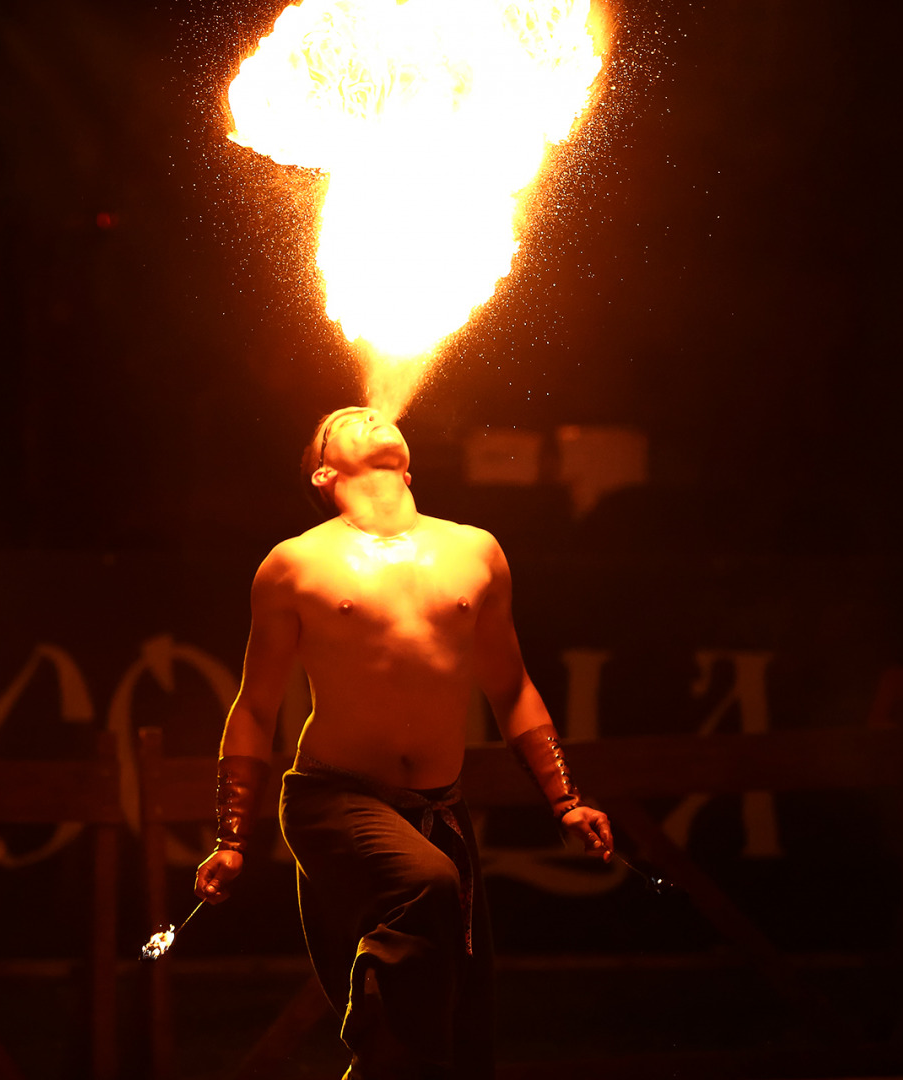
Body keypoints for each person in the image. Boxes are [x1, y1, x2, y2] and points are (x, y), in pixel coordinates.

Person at [194, 406, 615, 1079]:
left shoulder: (476, 551)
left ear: (410, 465)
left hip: (438, 809)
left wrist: (565, 800)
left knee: (467, 1029)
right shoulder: (294, 564)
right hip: (332, 799)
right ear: (324, 473)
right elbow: (254, 707)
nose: (368, 414)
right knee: (425, 883)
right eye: (342, 421)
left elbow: (512, 688)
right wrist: (234, 836)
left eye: (372, 414)